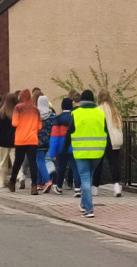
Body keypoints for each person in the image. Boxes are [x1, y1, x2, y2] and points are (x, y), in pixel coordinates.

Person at [69, 89, 107, 218]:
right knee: (89, 177)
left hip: (81, 152)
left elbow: (69, 133)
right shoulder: (100, 113)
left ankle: (89, 209)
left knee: (85, 178)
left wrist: (62, 150)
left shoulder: (76, 114)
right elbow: (106, 131)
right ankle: (84, 203)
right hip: (97, 152)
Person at [9, 89, 42, 194]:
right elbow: (39, 126)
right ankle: (34, 186)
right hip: (32, 139)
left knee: (18, 162)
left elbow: (14, 123)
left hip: (21, 139)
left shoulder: (18, 108)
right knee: (33, 163)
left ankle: (12, 182)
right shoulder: (35, 109)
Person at [94, 89, 124, 197]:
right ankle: (117, 187)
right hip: (114, 139)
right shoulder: (114, 110)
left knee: (98, 164)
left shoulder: (98, 110)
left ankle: (95, 188)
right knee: (114, 163)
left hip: (101, 139)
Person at [49, 97, 78, 195]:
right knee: (75, 168)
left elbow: (54, 138)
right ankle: (77, 188)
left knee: (61, 168)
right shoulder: (76, 117)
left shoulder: (58, 119)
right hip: (74, 147)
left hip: (62, 148)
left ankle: (59, 187)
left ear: (62, 106)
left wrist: (52, 153)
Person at [0, 93, 18, 188]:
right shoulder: (16, 113)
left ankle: (1, 181)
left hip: (3, 142)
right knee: (16, 161)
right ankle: (20, 176)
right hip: (14, 141)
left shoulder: (1, 113)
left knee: (3, 162)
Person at [35, 95, 57, 193]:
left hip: (38, 142)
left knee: (39, 162)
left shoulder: (36, 115)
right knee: (43, 162)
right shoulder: (52, 115)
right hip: (49, 141)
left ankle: (47, 181)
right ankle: (39, 183)